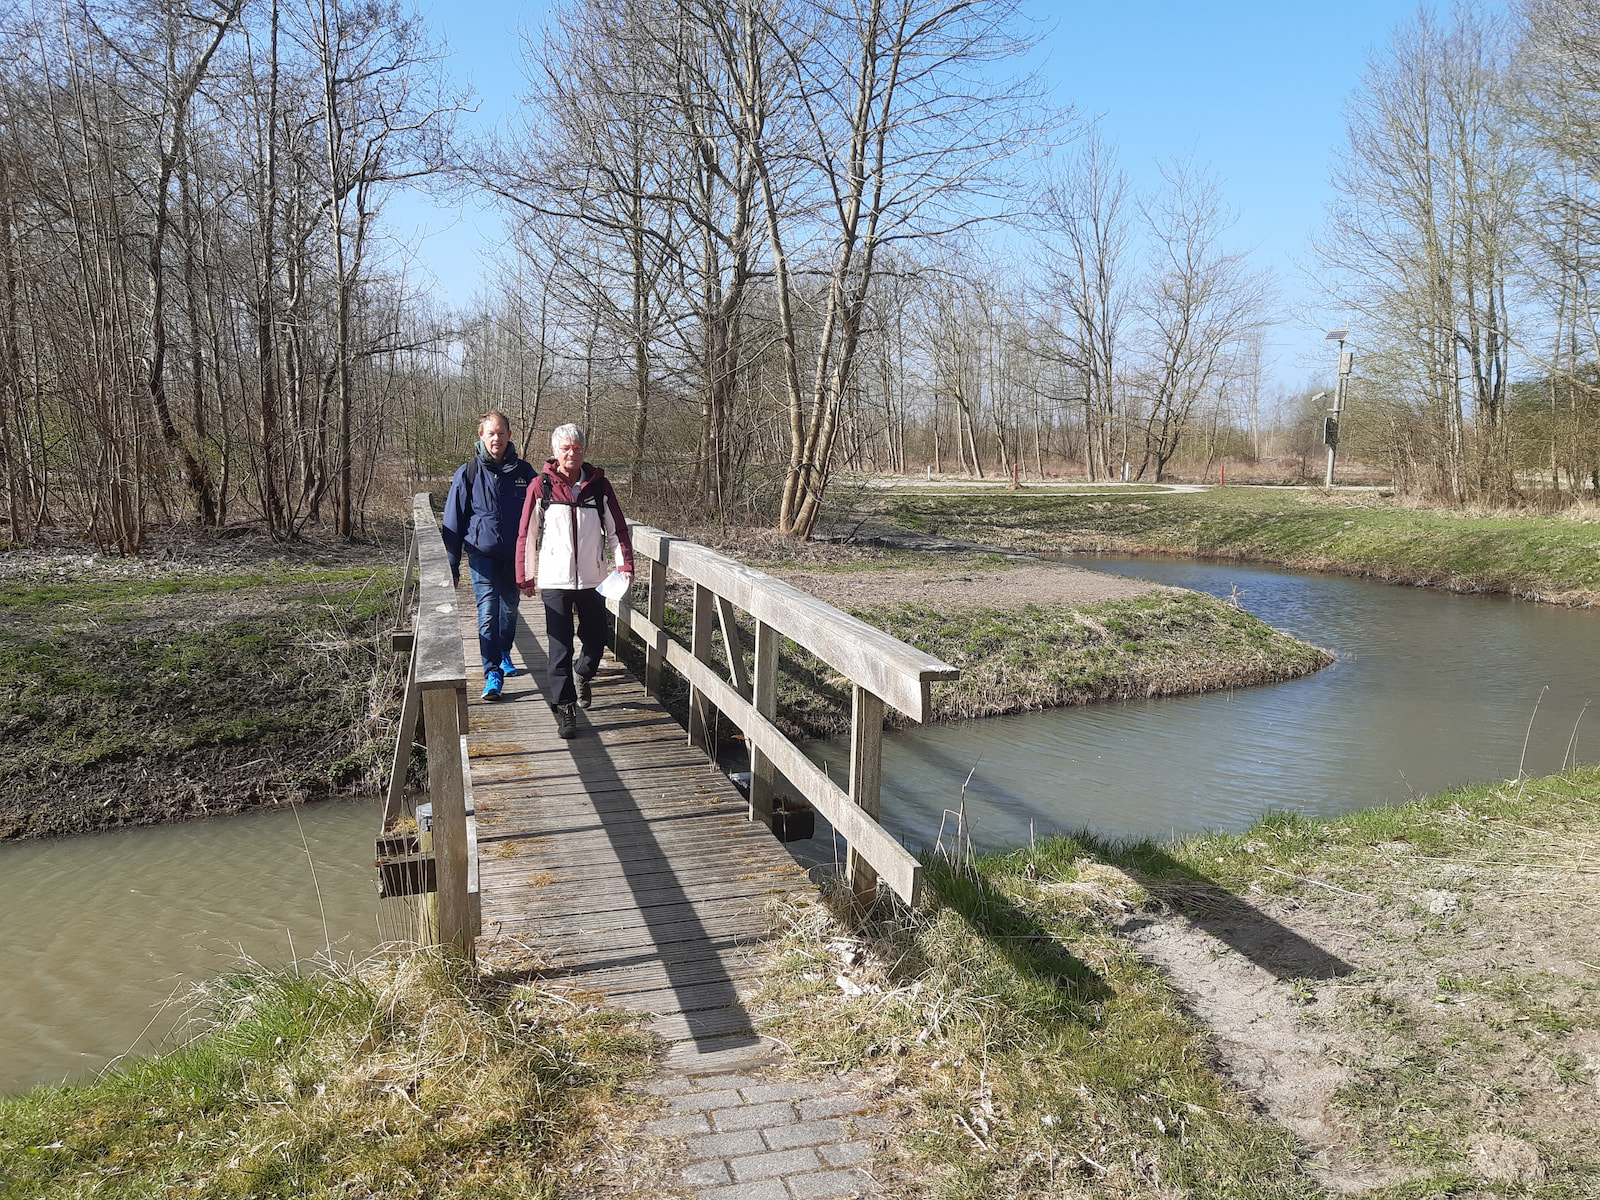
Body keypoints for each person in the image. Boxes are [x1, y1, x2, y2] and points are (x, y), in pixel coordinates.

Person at [515, 423, 634, 739]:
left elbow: (618, 530)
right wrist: (525, 576)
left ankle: (584, 674)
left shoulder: (599, 487)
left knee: (596, 639)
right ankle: (565, 708)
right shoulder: (540, 486)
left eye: (577, 448)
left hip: (594, 580)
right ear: (555, 451)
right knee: (560, 646)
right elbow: (526, 535)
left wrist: (624, 567)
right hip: (555, 580)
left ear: (584, 451)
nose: (571, 454)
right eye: (565, 448)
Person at [441, 410, 537, 701]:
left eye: (501, 433)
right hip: (482, 555)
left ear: (509, 436)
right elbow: (453, 521)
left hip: (515, 557)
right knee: (487, 613)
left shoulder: (525, 473)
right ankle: (492, 672)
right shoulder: (468, 472)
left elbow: (542, 515)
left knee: (508, 609)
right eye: (490, 433)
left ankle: (505, 651)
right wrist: (452, 565)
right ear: (481, 435)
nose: (496, 438)